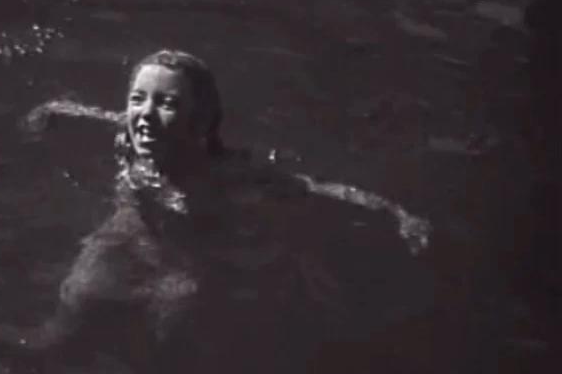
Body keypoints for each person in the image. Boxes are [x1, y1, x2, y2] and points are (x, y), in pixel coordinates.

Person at [22, 49, 432, 350]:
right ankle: (50, 344)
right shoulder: (129, 135)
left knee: (174, 312)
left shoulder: (226, 170)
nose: (144, 113)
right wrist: (47, 111)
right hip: (129, 228)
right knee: (80, 289)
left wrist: (398, 214)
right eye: (137, 98)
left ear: (200, 120)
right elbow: (81, 112)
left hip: (187, 250)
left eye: (167, 103)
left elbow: (315, 187)